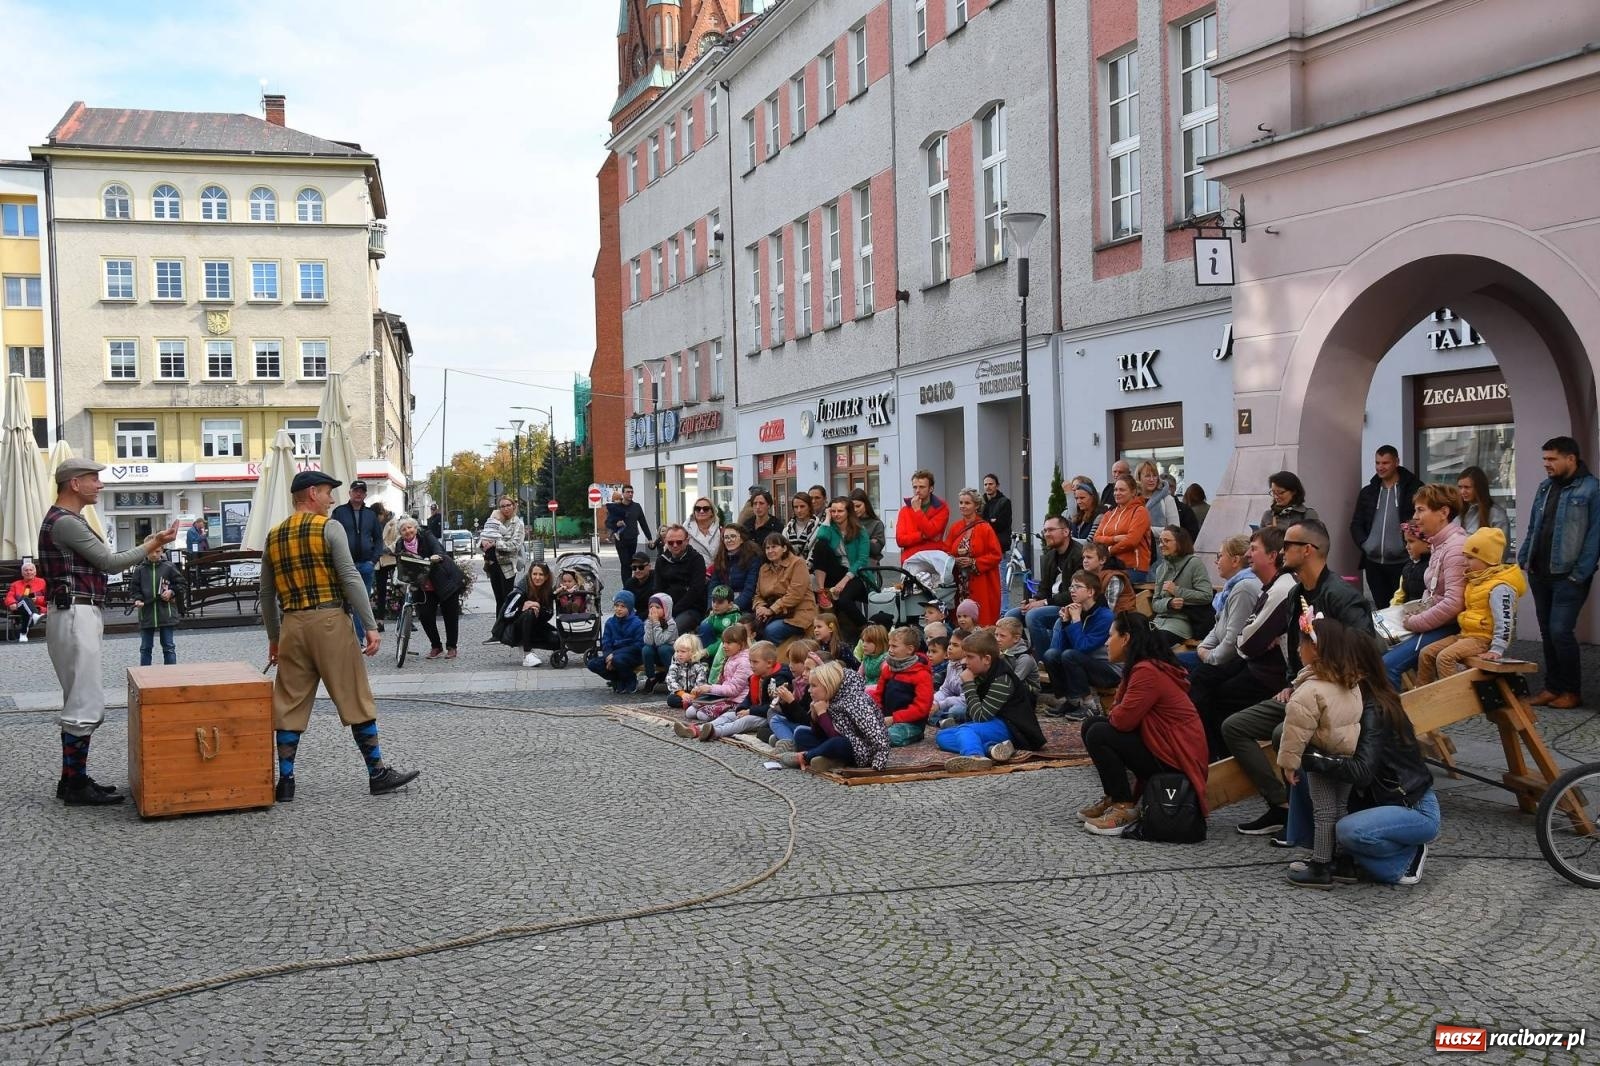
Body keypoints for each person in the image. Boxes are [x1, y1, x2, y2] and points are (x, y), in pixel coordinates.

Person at [261, 470, 419, 802]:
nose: (332, 499)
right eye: (327, 492)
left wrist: (275, 637)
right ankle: (377, 773)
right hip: (330, 621)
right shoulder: (329, 528)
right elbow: (349, 576)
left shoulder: (273, 535)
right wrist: (370, 624)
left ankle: (286, 781)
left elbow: (265, 594)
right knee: (354, 696)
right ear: (311, 493)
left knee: (288, 703)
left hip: (292, 625)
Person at [39, 458, 178, 805]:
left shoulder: (65, 519)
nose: (100, 484)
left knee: (78, 698)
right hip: (75, 612)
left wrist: (151, 542)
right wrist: (152, 544)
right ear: (74, 483)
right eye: (93, 478)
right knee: (85, 702)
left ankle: (71, 779)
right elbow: (109, 562)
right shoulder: (66, 522)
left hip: (73, 611)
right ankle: (75, 785)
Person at [1224, 519, 1373, 837]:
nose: (1281, 551)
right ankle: (1281, 806)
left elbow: (1366, 651)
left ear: (1308, 550)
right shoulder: (1295, 594)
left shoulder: (1342, 596)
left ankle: (1305, 825)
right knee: (1235, 726)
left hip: (1339, 695)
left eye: (1288, 545)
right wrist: (1293, 683)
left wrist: (1324, 681)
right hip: (1303, 690)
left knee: (1283, 733)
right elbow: (1294, 649)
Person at [1299, 651, 1439, 885]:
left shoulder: (1374, 708)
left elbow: (1362, 772)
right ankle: (1337, 858)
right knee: (1318, 794)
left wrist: (1315, 758)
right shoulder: (1354, 703)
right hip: (1385, 802)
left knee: (1348, 831)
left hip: (1414, 808)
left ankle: (1405, 858)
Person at [1078, 612, 1211, 837]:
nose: (1107, 642)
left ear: (1126, 638)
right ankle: (1114, 797)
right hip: (1166, 747)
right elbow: (1120, 715)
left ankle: (1124, 807)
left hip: (1177, 758)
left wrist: (1117, 710)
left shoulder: (1146, 671)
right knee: (1091, 724)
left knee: (1099, 732)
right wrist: (1118, 710)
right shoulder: (1143, 666)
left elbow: (1121, 721)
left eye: (1111, 635)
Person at [1273, 612, 1367, 886]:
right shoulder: (1350, 682)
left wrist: (1288, 764)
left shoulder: (1309, 690)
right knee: (1340, 807)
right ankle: (1343, 861)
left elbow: (1295, 731)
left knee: (1324, 811)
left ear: (1314, 649)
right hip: (1347, 756)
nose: (1297, 650)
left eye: (1301, 644)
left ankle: (1321, 864)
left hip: (1321, 758)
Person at [1518, 435, 1600, 709]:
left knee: (1560, 632)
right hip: (1539, 572)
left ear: (1571, 459)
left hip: (1569, 576)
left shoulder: (1591, 490)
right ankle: (1552, 687)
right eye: (1544, 459)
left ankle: (1571, 691)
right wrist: (1524, 556)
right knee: (1547, 632)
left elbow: (1595, 537)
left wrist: (1580, 573)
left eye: (1552, 459)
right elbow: (1534, 526)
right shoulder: (1545, 487)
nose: (1546, 464)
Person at [1382, 484, 1467, 690]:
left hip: (1450, 626)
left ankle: (1395, 712)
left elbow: (1454, 603)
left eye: (1421, 510)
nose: (1415, 517)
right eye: (1415, 510)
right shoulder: (1440, 544)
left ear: (1443, 513)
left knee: (1387, 666)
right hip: (1438, 623)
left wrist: (1415, 622)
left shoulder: (1455, 547)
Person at [1417, 527, 1526, 684]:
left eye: (1470, 558)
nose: (1465, 562)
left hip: (1483, 640)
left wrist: (1497, 649)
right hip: (1465, 635)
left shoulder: (1500, 587)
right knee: (1426, 653)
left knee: (1445, 658)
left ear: (1489, 559)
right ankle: (1423, 692)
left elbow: (1505, 620)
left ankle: (1454, 696)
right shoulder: (1475, 580)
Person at [935, 628, 1045, 773]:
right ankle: (992, 748)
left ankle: (975, 757)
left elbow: (980, 717)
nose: (964, 662)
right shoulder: (981, 672)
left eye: (969, 657)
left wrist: (968, 684)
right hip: (993, 723)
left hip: (1013, 728)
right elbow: (975, 714)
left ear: (986, 659)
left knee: (966, 730)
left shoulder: (1002, 679)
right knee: (943, 736)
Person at [775, 659, 892, 773]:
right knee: (801, 733)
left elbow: (876, 733)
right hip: (835, 742)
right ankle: (830, 760)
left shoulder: (856, 701)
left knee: (838, 743)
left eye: (814, 686)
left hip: (860, 750)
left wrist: (879, 761)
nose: (809, 690)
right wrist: (815, 718)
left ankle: (805, 757)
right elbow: (821, 734)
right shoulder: (830, 697)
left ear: (828, 685)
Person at [1350, 445, 1424, 608]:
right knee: (1382, 610)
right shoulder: (1368, 492)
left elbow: (1422, 522)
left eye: (1385, 463)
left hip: (1403, 562)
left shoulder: (1414, 489)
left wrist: (1408, 546)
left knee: (1403, 609)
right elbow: (1356, 523)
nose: (1380, 467)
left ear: (1396, 462)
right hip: (1373, 564)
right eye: (1377, 463)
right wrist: (1365, 544)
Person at [1042, 570, 1119, 719]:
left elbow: (1083, 648)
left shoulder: (1105, 616)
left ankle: (1091, 707)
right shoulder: (1076, 611)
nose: (1072, 590)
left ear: (1090, 592)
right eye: (1071, 587)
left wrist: (1076, 621)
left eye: (1077, 587)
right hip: (1084, 663)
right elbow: (1061, 649)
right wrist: (1065, 622)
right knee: (1051, 655)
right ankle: (1072, 701)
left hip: (1109, 670)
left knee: (1070, 655)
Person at [1007, 514, 1083, 657]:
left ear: (1066, 532)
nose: (1046, 534)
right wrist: (1034, 600)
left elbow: (1076, 594)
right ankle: (1023, 656)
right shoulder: (1050, 556)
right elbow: (1044, 588)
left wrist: (1044, 602)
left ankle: (1044, 661)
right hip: (1051, 603)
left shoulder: (1079, 555)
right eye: (1045, 530)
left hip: (1070, 606)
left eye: (1051, 530)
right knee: (1011, 616)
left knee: (1033, 616)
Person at [1184, 534, 1261, 672]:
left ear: (1235, 560)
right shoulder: (1233, 587)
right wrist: (1203, 647)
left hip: (1231, 662)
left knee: (1172, 665)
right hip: (1218, 654)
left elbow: (1233, 640)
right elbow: (1218, 626)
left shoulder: (1243, 589)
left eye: (1220, 556)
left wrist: (1210, 656)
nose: (1216, 561)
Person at [393, 515, 466, 661]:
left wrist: (436, 556)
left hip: (443, 580)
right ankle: (436, 646)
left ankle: (452, 647)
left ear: (415, 528)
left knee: (450, 615)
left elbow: (438, 548)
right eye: (403, 529)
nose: (407, 531)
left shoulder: (426, 536)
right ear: (400, 533)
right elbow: (401, 563)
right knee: (425, 615)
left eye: (410, 527)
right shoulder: (400, 544)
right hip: (423, 585)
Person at [331, 479, 385, 645]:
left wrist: (373, 561)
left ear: (365, 495)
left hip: (366, 565)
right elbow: (331, 536)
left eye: (361, 491)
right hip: (345, 565)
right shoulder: (339, 512)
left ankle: (359, 640)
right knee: (342, 603)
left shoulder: (370, 515)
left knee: (362, 603)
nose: (358, 494)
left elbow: (378, 540)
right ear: (350, 493)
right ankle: (345, 639)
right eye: (355, 490)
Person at [675, 621, 752, 727]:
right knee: (690, 711)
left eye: (729, 643)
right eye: (723, 642)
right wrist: (702, 690)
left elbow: (733, 690)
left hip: (737, 701)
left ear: (741, 644)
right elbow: (723, 683)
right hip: (725, 696)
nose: (724, 646)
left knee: (702, 715)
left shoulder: (744, 662)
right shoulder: (732, 657)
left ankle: (708, 725)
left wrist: (710, 688)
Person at [869, 625, 935, 746]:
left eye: (894, 646)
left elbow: (922, 708)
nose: (890, 650)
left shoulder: (922, 674)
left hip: (910, 723)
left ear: (909, 649)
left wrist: (894, 718)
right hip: (887, 718)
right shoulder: (888, 669)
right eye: (889, 645)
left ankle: (915, 735)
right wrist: (877, 714)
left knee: (886, 737)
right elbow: (878, 695)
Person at [946, 487, 1003, 625]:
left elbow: (996, 555)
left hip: (981, 582)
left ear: (976, 505)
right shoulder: (955, 527)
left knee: (980, 618)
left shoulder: (985, 528)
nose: (963, 506)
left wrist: (973, 562)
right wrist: (954, 560)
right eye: (961, 502)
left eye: (967, 503)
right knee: (959, 619)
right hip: (959, 582)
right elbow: (946, 551)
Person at [810, 496, 871, 624]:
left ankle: (865, 627)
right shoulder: (830, 529)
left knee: (844, 600)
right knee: (821, 545)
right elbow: (821, 536)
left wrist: (844, 581)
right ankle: (821, 590)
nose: (836, 514)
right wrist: (827, 518)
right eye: (833, 511)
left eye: (840, 511)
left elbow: (862, 560)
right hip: (836, 570)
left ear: (848, 512)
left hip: (856, 573)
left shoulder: (860, 531)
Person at [1149, 525, 1214, 645]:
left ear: (1180, 542)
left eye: (1166, 541)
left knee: (1155, 642)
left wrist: (1177, 591)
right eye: (1160, 541)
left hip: (1181, 624)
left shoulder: (1194, 563)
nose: (1161, 545)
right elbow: (1155, 603)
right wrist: (1169, 603)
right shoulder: (1161, 569)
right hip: (1158, 622)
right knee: (1136, 639)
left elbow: (1207, 595)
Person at [754, 532, 817, 643]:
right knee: (746, 625)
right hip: (772, 613)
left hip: (797, 614)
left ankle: (782, 654)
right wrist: (760, 608)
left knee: (771, 631)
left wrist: (771, 610)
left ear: (784, 548)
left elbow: (795, 594)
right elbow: (758, 595)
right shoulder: (764, 568)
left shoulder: (798, 563)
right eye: (767, 548)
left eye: (774, 547)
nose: (770, 551)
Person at [130, 543, 187, 666]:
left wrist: (171, 592)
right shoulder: (139, 569)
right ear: (146, 551)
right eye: (151, 551)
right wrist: (138, 599)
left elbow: (181, 584)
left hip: (166, 612)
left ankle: (170, 674)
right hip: (146, 612)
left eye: (157, 551)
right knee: (145, 648)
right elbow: (134, 589)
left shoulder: (169, 567)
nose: (154, 554)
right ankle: (145, 675)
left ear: (162, 551)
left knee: (168, 646)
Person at [1093, 474, 1152, 581]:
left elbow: (1131, 541)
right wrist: (1114, 539)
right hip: (1109, 566)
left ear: (1133, 492)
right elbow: (1096, 539)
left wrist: (1109, 550)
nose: (1117, 493)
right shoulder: (1109, 514)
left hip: (1133, 568)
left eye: (1122, 490)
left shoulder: (1140, 511)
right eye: (1115, 490)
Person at [587, 590, 646, 693]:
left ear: (629, 608)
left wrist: (614, 655)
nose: (619, 609)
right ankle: (617, 678)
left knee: (617, 660)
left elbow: (638, 645)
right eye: (616, 605)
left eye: (623, 606)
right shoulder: (610, 622)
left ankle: (630, 679)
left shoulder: (637, 623)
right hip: (612, 656)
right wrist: (608, 657)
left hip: (631, 656)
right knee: (592, 664)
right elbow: (606, 643)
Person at [478, 496, 526, 623]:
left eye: (508, 505)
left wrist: (496, 544)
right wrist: (483, 544)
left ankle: (508, 627)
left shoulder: (517, 523)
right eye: (502, 506)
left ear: (513, 506)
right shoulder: (495, 520)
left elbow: (515, 545)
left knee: (508, 599)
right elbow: (483, 537)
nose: (505, 508)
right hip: (493, 564)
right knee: (498, 599)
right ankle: (499, 628)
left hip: (507, 566)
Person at [655, 525, 708, 637]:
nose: (675, 545)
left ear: (687, 541)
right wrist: (661, 610)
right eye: (670, 542)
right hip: (666, 609)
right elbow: (658, 589)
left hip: (691, 608)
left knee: (671, 632)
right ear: (665, 542)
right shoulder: (661, 561)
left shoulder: (697, 559)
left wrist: (672, 611)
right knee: (649, 630)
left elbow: (695, 591)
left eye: (679, 542)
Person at [503, 561, 557, 667]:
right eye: (534, 574)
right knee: (529, 613)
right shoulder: (520, 590)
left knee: (557, 640)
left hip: (536, 626)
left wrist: (538, 606)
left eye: (541, 574)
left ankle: (530, 648)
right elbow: (507, 615)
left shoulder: (547, 590)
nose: (537, 577)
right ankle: (527, 653)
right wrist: (522, 608)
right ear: (530, 575)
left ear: (546, 577)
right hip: (515, 628)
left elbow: (549, 614)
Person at [895, 469, 950, 562]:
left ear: (931, 489)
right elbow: (900, 540)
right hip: (910, 559)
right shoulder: (904, 510)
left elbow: (930, 532)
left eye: (922, 487)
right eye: (915, 487)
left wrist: (917, 510)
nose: (917, 490)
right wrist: (922, 536)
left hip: (933, 559)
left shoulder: (941, 507)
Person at [709, 525, 761, 614]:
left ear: (741, 539)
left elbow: (750, 589)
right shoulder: (720, 558)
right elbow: (713, 586)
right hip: (719, 606)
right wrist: (712, 607)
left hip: (743, 607)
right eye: (726, 537)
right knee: (705, 623)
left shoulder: (753, 559)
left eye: (733, 536)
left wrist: (732, 607)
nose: (729, 540)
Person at [1456, 466, 1510, 548]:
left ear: (1479, 488)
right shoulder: (1459, 511)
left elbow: (1501, 549)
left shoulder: (1496, 515)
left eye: (1467, 487)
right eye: (1460, 487)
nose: (1462, 491)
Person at [1082, 541, 1136, 615]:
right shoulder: (1088, 577)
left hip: (1122, 619)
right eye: (1083, 557)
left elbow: (1108, 610)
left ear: (1102, 560)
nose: (1085, 561)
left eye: (1089, 557)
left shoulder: (1114, 578)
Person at [608, 485, 653, 572]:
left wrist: (649, 538)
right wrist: (616, 524)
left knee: (631, 563)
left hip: (633, 538)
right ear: (623, 493)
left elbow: (643, 523)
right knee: (625, 563)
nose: (630, 494)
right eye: (628, 492)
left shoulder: (636, 507)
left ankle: (630, 580)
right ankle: (627, 581)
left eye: (632, 492)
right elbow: (609, 523)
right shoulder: (616, 507)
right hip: (621, 539)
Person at [640, 592, 678, 693]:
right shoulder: (648, 622)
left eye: (657, 607)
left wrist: (656, 623)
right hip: (655, 654)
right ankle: (651, 678)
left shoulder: (671, 624)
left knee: (663, 648)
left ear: (666, 609)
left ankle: (672, 678)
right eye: (651, 607)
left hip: (669, 655)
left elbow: (660, 641)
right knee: (646, 649)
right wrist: (650, 624)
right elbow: (648, 641)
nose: (653, 610)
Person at [664, 633, 710, 711]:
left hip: (696, 693)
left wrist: (693, 694)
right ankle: (691, 703)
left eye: (683, 651)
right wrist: (681, 693)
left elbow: (701, 682)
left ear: (693, 652)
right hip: (680, 692)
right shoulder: (675, 664)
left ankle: (692, 702)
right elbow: (670, 679)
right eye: (677, 651)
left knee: (705, 697)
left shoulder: (701, 665)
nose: (679, 654)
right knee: (671, 699)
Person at [1138, 461, 1179, 547]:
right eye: (1147, 476)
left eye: (1155, 476)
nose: (1152, 479)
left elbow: (1174, 529)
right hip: (1136, 549)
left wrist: (1144, 530)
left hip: (1160, 548)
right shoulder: (1132, 499)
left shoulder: (1167, 499)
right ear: (1139, 477)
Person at [930, 632, 968, 726]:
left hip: (966, 705)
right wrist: (932, 702)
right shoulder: (951, 664)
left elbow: (965, 699)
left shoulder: (969, 667)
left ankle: (942, 719)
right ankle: (941, 722)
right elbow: (945, 690)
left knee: (956, 711)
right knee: (928, 705)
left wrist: (940, 705)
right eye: (950, 644)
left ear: (967, 650)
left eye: (955, 645)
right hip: (953, 701)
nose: (950, 647)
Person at [372, 503, 399, 630]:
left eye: (377, 516)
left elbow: (399, 539)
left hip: (392, 559)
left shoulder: (395, 523)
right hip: (380, 561)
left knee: (398, 589)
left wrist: (388, 548)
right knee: (380, 591)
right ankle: (380, 621)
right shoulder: (374, 524)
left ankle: (404, 620)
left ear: (382, 513)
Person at [5, 560, 46, 642]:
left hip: (37, 607)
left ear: (35, 572)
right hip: (18, 607)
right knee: (25, 598)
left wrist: (37, 599)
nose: (28, 572)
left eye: (31, 570)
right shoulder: (15, 584)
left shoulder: (42, 582)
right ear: (22, 573)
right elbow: (9, 596)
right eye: (26, 570)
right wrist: (12, 603)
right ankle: (34, 615)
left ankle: (23, 633)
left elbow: (48, 597)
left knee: (26, 610)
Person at [1392, 522, 1430, 606]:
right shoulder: (1408, 566)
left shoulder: (1432, 567)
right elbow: (1400, 594)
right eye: (1406, 542)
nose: (1407, 547)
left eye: (1411, 541)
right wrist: (1393, 608)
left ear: (1428, 543)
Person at [849, 489, 886, 565]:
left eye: (858, 506)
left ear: (866, 504)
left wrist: (855, 537)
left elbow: (875, 549)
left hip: (869, 567)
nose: (855, 510)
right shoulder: (847, 522)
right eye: (852, 507)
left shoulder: (877, 524)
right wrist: (868, 541)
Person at [685, 496, 722, 566]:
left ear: (712, 512)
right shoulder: (685, 530)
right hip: (692, 570)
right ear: (694, 512)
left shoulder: (721, 531)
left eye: (706, 509)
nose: (701, 511)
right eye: (698, 509)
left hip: (716, 570)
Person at [981, 474, 1013, 551]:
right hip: (983, 544)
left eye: (990, 484)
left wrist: (984, 522)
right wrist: (991, 520)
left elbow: (1000, 525)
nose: (988, 486)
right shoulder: (980, 502)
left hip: (999, 545)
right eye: (985, 484)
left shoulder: (1005, 502)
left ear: (997, 486)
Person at [782, 493, 820, 559]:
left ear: (809, 507)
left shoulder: (819, 527)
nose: (799, 510)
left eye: (802, 506)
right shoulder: (787, 530)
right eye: (796, 507)